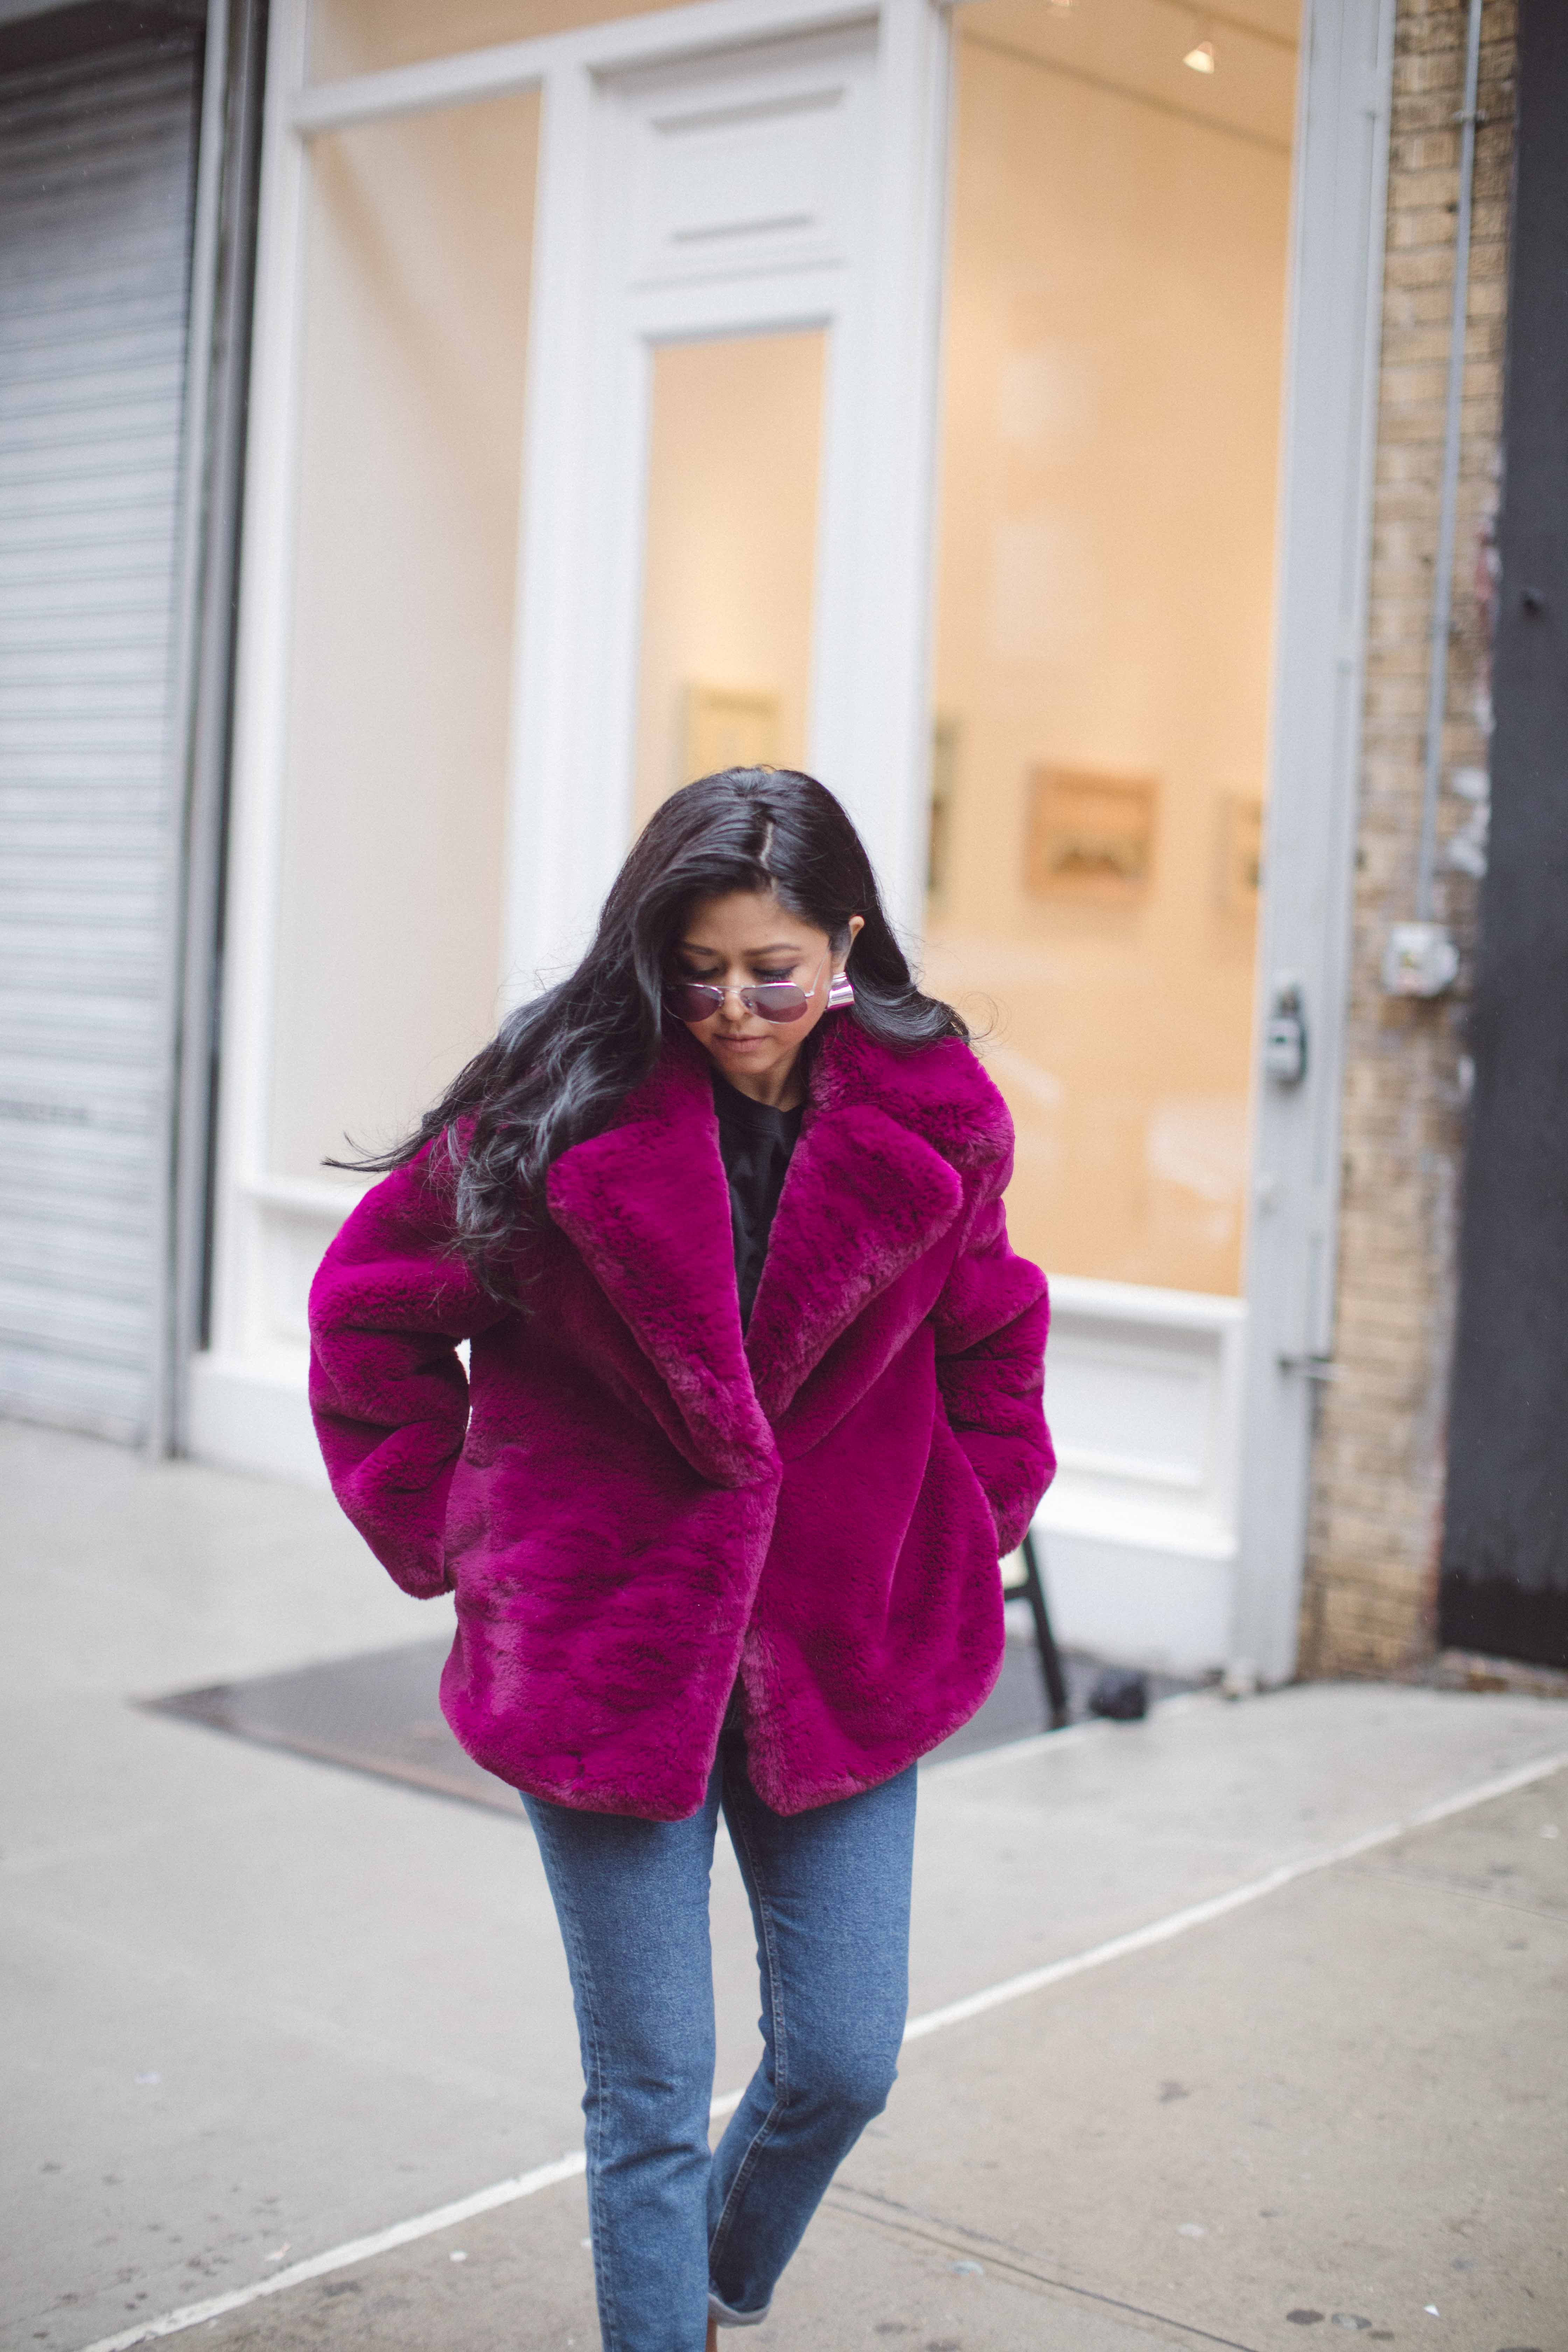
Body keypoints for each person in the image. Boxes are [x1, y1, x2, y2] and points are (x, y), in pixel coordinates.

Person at [307, 767, 1055, 2352]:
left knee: (843, 2058)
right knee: (647, 2094)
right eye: (693, 967)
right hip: (604, 1653)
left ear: (843, 941)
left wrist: (970, 1514)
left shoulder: (936, 1122)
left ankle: (708, 2276)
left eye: (768, 970)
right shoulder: (553, 1109)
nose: (729, 1006)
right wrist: (459, 1535)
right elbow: (369, 1315)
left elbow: (992, 1326)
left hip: (843, 1647)